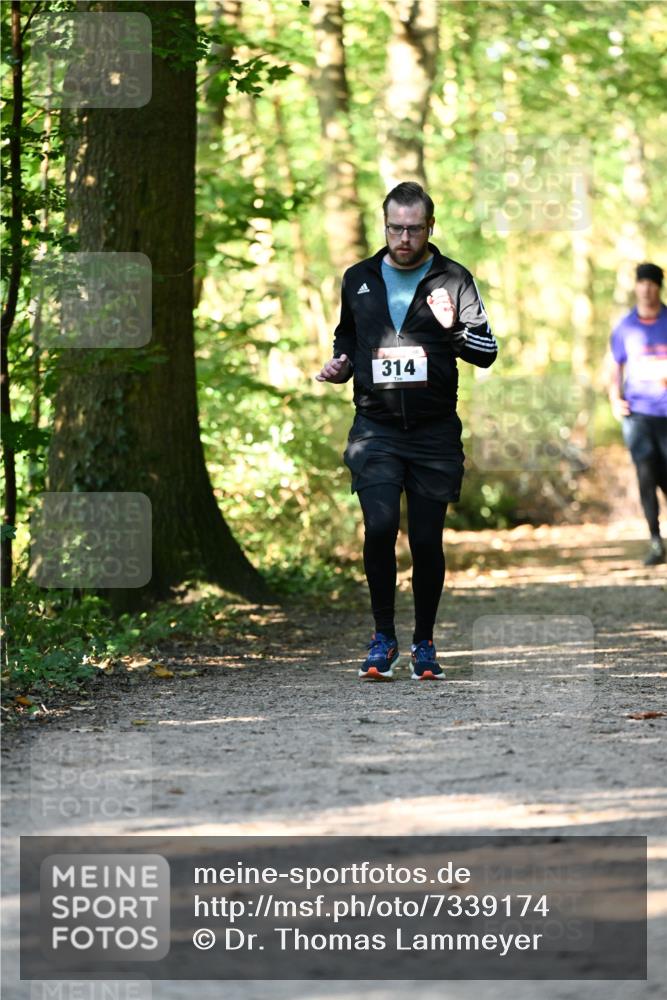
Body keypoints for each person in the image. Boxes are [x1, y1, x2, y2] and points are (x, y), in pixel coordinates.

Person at [316, 181, 497, 681]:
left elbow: (487, 352)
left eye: (414, 229)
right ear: (384, 224)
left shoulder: (454, 278)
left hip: (433, 433)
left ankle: (424, 642)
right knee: (378, 528)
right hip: (375, 429)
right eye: (395, 228)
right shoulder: (358, 278)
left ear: (430, 227)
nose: (403, 238)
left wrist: (453, 328)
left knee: (425, 539)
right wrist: (341, 364)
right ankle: (383, 639)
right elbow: (347, 335)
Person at [608, 262, 667, 566]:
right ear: (636, 286)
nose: (646, 288)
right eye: (642, 282)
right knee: (646, 475)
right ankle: (655, 541)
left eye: (652, 283)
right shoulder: (625, 327)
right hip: (637, 414)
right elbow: (614, 365)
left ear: (659, 288)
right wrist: (613, 396)